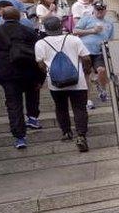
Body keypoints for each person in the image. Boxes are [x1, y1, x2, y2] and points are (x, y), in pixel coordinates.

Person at [0, 5, 44, 148]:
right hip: (28, 70)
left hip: (7, 73)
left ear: (2, 17)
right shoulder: (29, 31)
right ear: (19, 17)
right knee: (32, 94)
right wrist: (40, 77)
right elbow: (38, 54)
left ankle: (20, 137)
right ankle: (33, 117)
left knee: (13, 104)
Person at [35, 17, 93, 151]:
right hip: (77, 81)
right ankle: (81, 135)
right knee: (79, 108)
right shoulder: (74, 39)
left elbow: (40, 63)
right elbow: (86, 58)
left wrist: (50, 72)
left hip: (55, 83)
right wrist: (86, 70)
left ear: (45, 28)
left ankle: (66, 132)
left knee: (60, 107)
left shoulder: (40, 43)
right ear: (61, 26)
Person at [73, 0, 115, 107]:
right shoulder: (86, 19)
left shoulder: (109, 23)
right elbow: (75, 31)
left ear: (105, 10)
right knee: (86, 74)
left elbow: (110, 39)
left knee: (102, 70)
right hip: (85, 51)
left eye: (102, 10)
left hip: (99, 51)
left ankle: (102, 89)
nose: (99, 12)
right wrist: (92, 31)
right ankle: (87, 99)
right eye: (97, 9)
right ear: (94, 9)